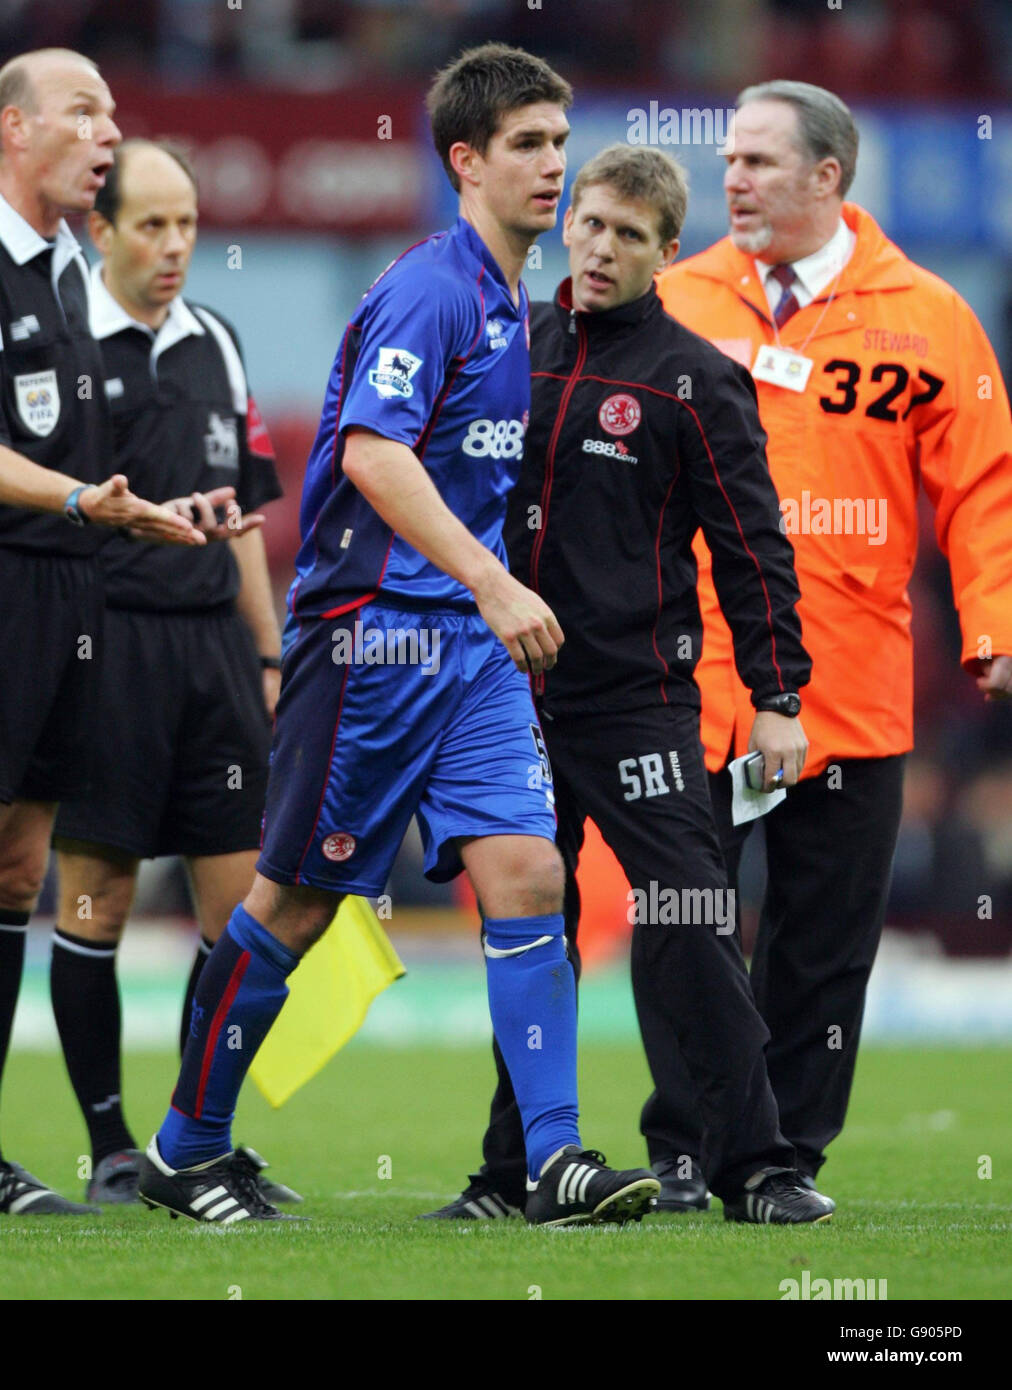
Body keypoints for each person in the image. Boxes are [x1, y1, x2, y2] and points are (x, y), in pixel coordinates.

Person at [134, 42, 660, 1227]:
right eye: (527, 146)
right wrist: (492, 583)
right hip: (375, 639)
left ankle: (553, 1158)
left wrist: (485, 597)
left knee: (528, 872)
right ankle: (184, 1145)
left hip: (465, 651)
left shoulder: (510, 302)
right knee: (299, 905)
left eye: (560, 147)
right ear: (464, 161)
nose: (552, 170)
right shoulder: (432, 286)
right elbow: (372, 454)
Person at [425, 145, 834, 1225]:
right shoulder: (517, 347)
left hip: (636, 698)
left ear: (666, 252)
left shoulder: (695, 378)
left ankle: (757, 1163)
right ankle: (509, 1173)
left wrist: (778, 695)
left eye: (628, 236)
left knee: (691, 913)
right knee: (526, 927)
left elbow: (754, 552)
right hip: (509, 699)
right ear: (571, 227)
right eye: (591, 225)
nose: (600, 249)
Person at [0, 48, 227, 1221]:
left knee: (16, 873)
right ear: (16, 130)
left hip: (69, 596)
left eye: (114, 108)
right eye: (85, 110)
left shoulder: (71, 272)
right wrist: (81, 499)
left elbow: (71, 455)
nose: (110, 130)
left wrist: (145, 510)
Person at [651, 80, 1012, 1204]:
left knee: (821, 934)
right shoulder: (673, 297)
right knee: (682, 919)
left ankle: (784, 1157)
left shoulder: (928, 316)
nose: (733, 179)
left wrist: (992, 619)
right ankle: (683, 1145)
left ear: (827, 177)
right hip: (691, 669)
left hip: (850, 674)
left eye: (760, 161)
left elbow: (983, 485)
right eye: (728, 161)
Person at [48, 138, 291, 1206]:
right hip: (108, 645)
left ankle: (194, 1138)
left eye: (188, 224)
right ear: (100, 230)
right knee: (93, 904)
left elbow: (240, 519)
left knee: (238, 915)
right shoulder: (60, 344)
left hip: (214, 657)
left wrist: (273, 654)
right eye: (152, 224)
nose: (176, 245)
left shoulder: (218, 342)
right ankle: (107, 1145)